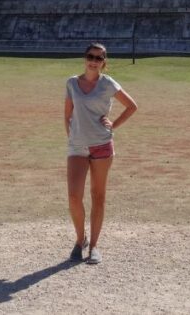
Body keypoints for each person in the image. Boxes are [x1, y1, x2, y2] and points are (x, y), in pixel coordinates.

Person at [64, 42, 138, 264]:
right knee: (74, 197)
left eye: (98, 58)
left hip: (102, 145)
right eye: (90, 56)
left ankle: (94, 245)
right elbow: (67, 115)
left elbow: (132, 106)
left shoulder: (107, 84)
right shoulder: (71, 83)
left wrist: (112, 125)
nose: (93, 61)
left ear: (104, 62)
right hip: (77, 146)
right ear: (84, 58)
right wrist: (72, 135)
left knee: (98, 196)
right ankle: (80, 240)